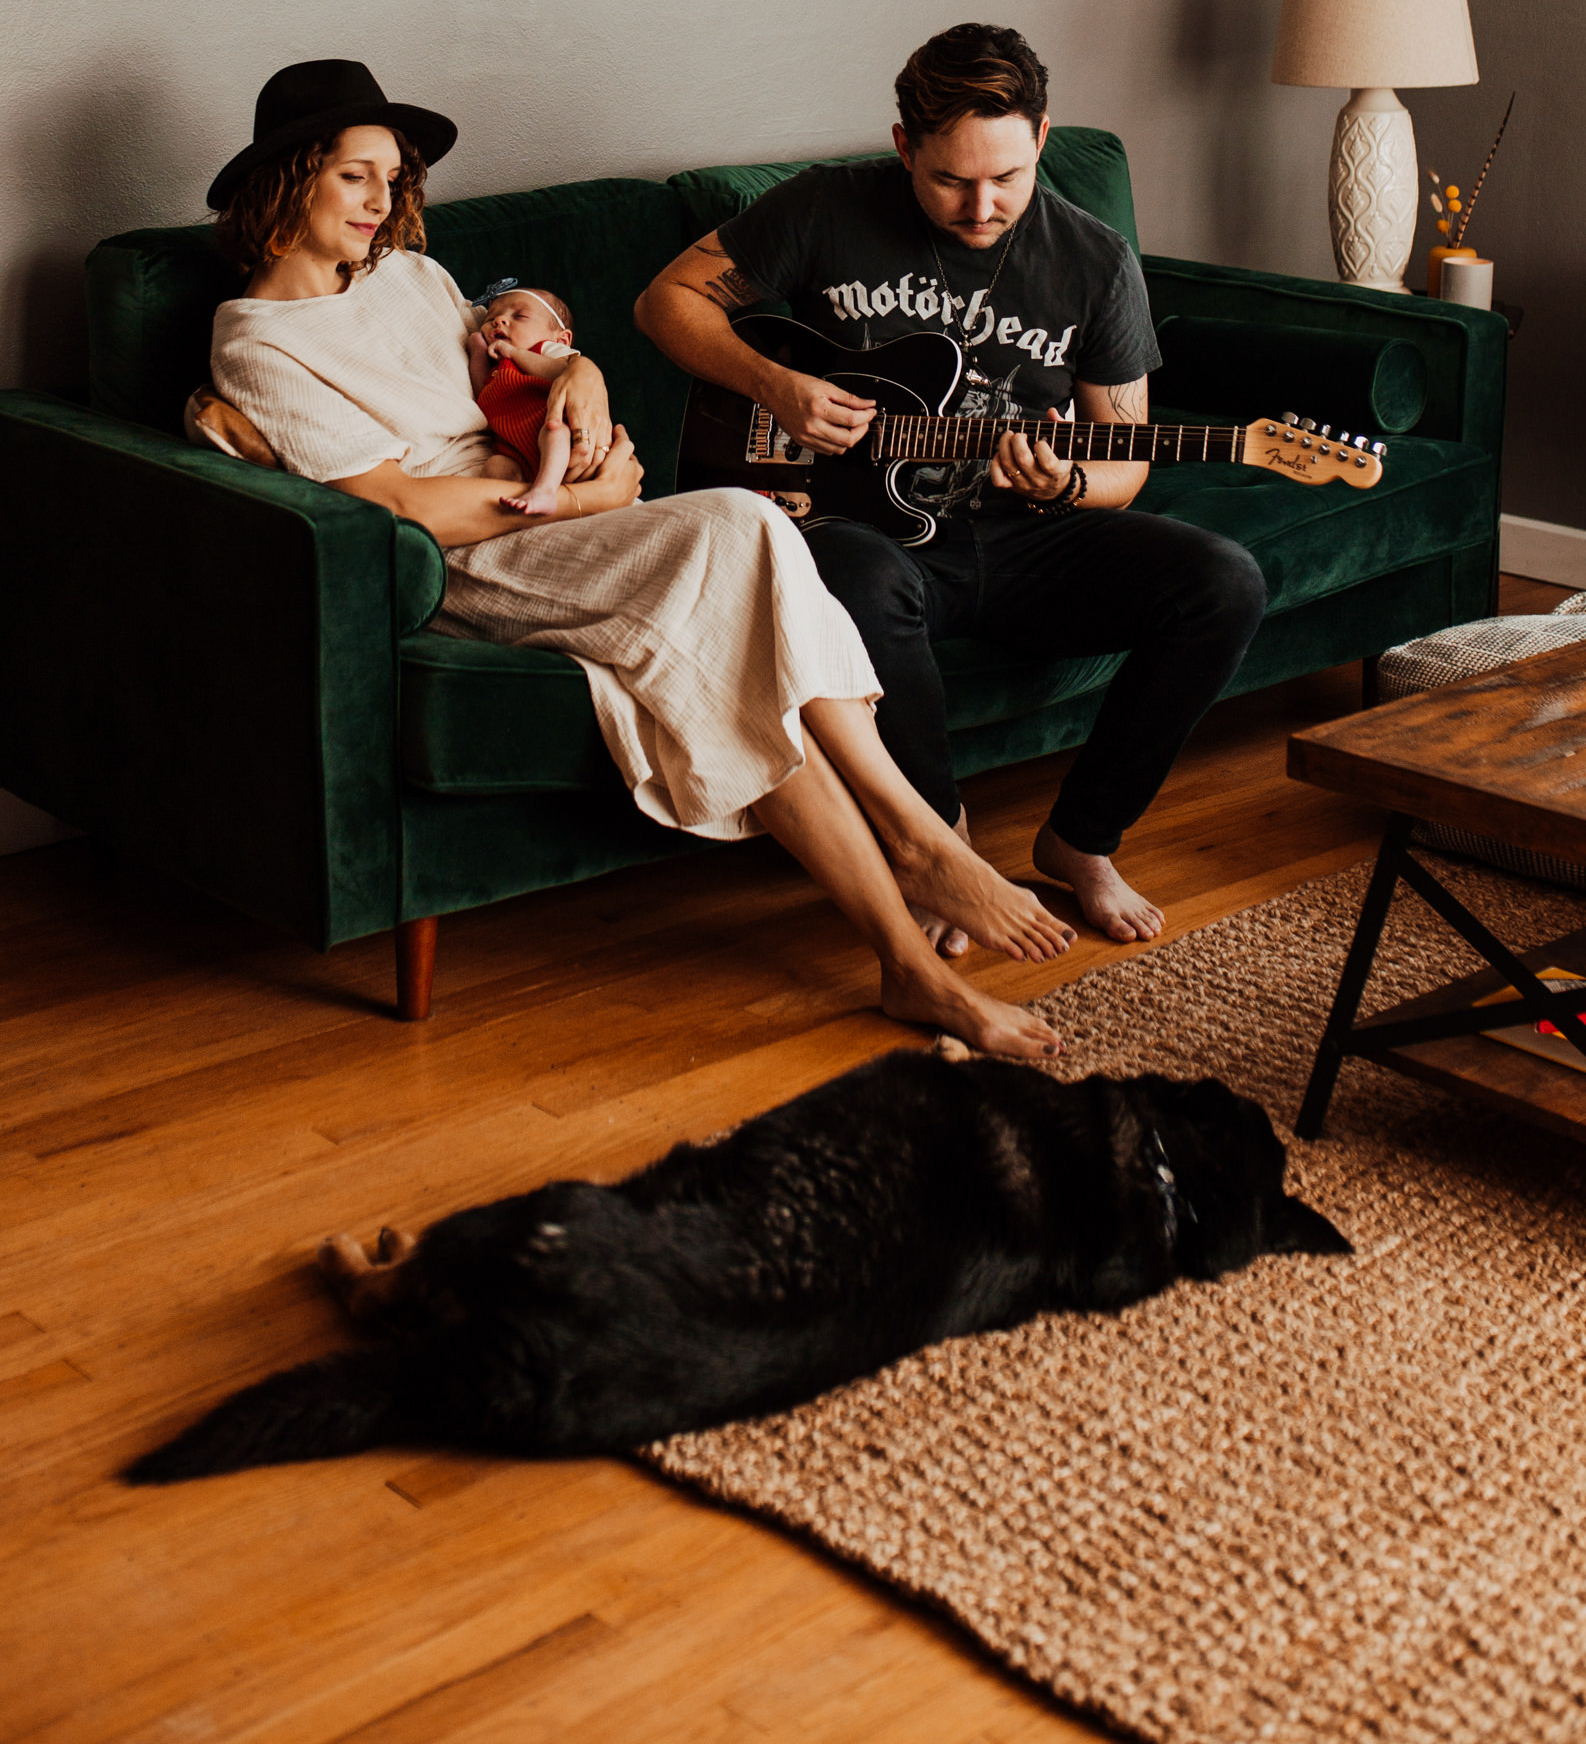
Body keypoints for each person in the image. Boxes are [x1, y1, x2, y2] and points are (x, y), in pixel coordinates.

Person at [204, 58, 1072, 1060]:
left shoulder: (410, 275)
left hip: (559, 509)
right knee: (745, 529)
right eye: (356, 175)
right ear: (288, 177)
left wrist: (579, 367)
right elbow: (395, 504)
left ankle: (910, 965)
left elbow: (513, 370)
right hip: (475, 558)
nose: (383, 200)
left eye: (394, 177)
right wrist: (579, 497)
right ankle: (919, 839)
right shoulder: (255, 344)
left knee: (741, 624)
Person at [635, 22, 1268, 948]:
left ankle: (1081, 842)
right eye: (950, 179)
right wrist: (774, 383)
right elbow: (665, 302)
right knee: (852, 575)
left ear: (1042, 139)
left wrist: (1063, 484)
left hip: (1024, 535)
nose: (981, 206)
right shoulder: (824, 208)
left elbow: (1124, 458)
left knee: (1225, 582)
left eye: (1007, 177)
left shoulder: (1094, 260)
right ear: (903, 147)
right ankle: (941, 846)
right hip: (863, 530)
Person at [466, 282, 579, 517]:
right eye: (491, 318)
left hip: (553, 433)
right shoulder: (496, 368)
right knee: (495, 466)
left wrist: (515, 353)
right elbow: (482, 394)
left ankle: (546, 491)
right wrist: (477, 352)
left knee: (556, 430)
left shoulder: (547, 350)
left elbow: (563, 374)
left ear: (562, 340)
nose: (499, 321)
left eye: (520, 316)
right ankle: (514, 507)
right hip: (513, 450)